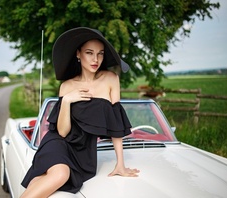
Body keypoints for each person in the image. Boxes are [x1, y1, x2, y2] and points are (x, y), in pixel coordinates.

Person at [20, 27, 139, 198]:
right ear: (78, 54)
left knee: (39, 184)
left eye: (100, 54)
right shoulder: (67, 86)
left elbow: (116, 124)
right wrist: (67, 100)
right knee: (60, 175)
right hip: (58, 144)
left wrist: (120, 164)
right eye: (89, 53)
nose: (95, 59)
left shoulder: (111, 79)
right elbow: (62, 132)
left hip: (85, 153)